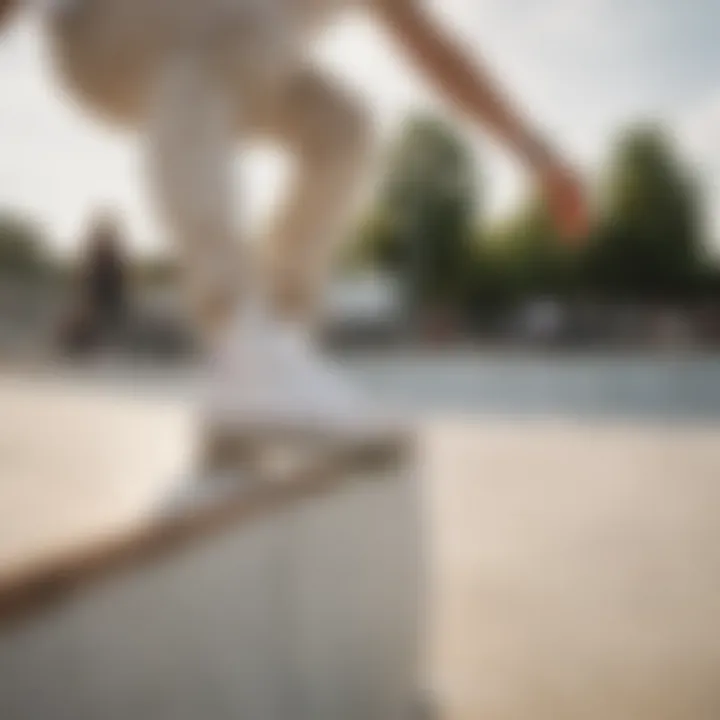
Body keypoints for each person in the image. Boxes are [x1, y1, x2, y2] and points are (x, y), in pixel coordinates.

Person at [1, 0, 589, 485]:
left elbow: (441, 55)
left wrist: (536, 156)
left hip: (228, 56)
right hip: (101, 35)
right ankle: (238, 330)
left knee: (343, 126)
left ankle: (271, 361)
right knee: (245, 38)